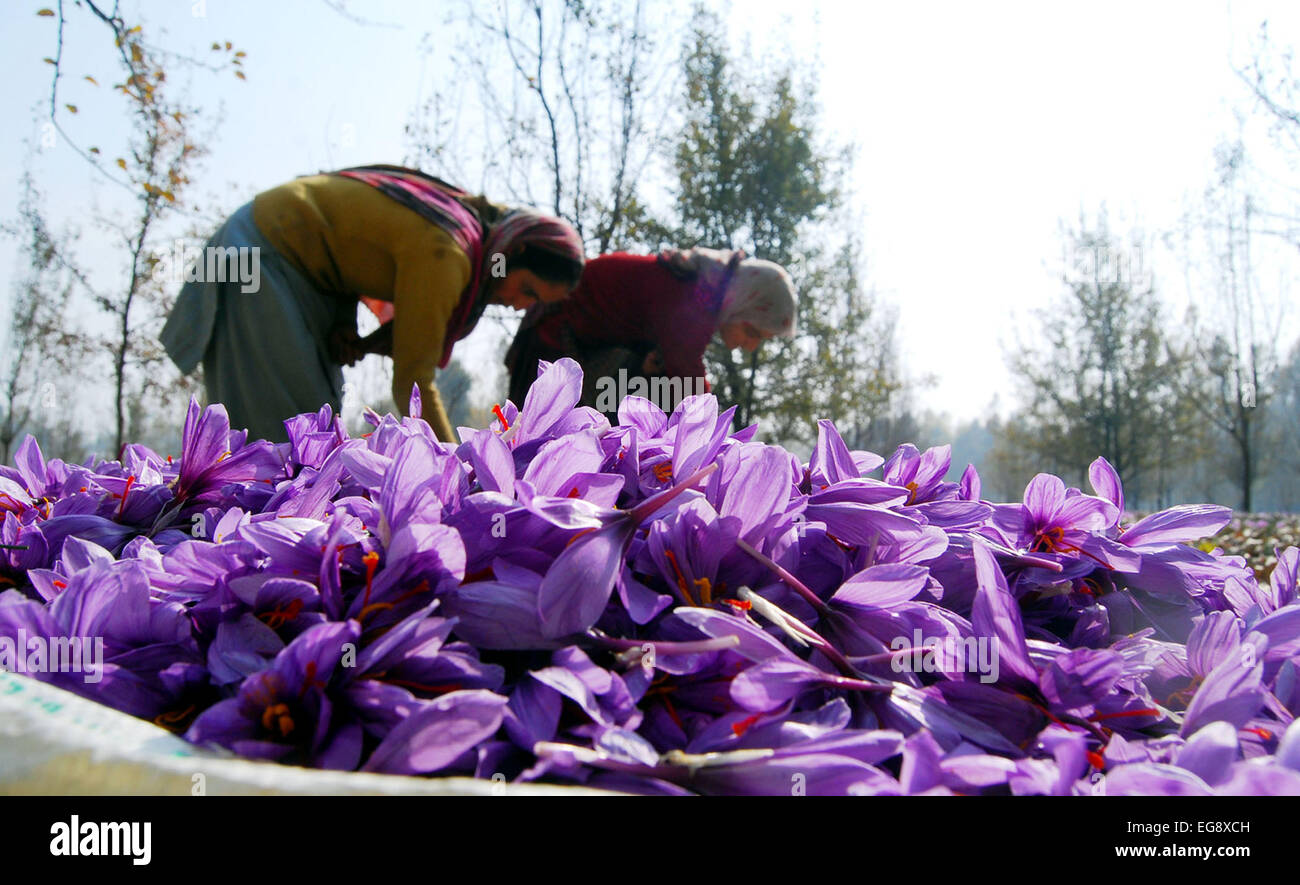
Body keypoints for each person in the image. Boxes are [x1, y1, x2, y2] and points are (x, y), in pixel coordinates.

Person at [160, 164, 585, 443]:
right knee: (286, 436)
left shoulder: (464, 236)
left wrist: (346, 325)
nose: (516, 306)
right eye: (526, 290)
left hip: (304, 274)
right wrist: (463, 471)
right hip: (258, 257)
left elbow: (344, 249)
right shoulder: (449, 252)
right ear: (514, 251)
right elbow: (413, 382)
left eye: (532, 305)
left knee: (316, 427)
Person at [504, 247, 797, 414]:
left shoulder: (703, 289)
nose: (749, 346)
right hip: (551, 340)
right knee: (530, 445)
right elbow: (690, 384)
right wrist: (713, 432)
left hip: (573, 344)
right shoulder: (694, 296)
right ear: (744, 306)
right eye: (754, 333)